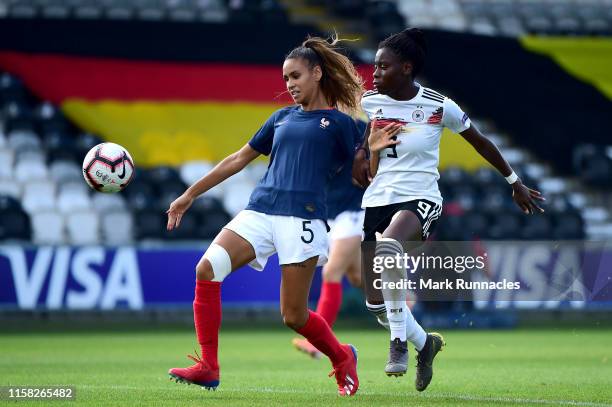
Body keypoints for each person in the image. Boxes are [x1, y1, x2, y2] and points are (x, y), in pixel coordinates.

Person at [166, 35, 365, 396]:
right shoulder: (280, 118)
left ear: (318, 73)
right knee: (206, 269)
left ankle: (341, 357)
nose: (289, 85)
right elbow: (237, 159)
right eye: (286, 79)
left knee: (293, 316)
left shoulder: (341, 124)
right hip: (260, 210)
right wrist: (189, 194)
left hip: (302, 219)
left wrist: (377, 151)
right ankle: (208, 366)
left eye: (296, 76)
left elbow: (361, 175)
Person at [352, 28, 545, 392]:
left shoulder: (439, 106)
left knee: (390, 247)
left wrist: (514, 182)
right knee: (376, 303)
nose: (374, 73)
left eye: (383, 66)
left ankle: (397, 347)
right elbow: (360, 174)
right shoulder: (370, 103)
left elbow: (481, 142)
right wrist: (370, 148)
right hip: (377, 200)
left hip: (420, 198)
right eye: (375, 66)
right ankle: (426, 345)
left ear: (406, 68)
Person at [292, 119, 366, 360]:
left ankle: (317, 342)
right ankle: (403, 296)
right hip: (331, 214)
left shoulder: (360, 130)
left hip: (353, 212)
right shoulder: (317, 131)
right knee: (357, 277)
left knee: (331, 272)